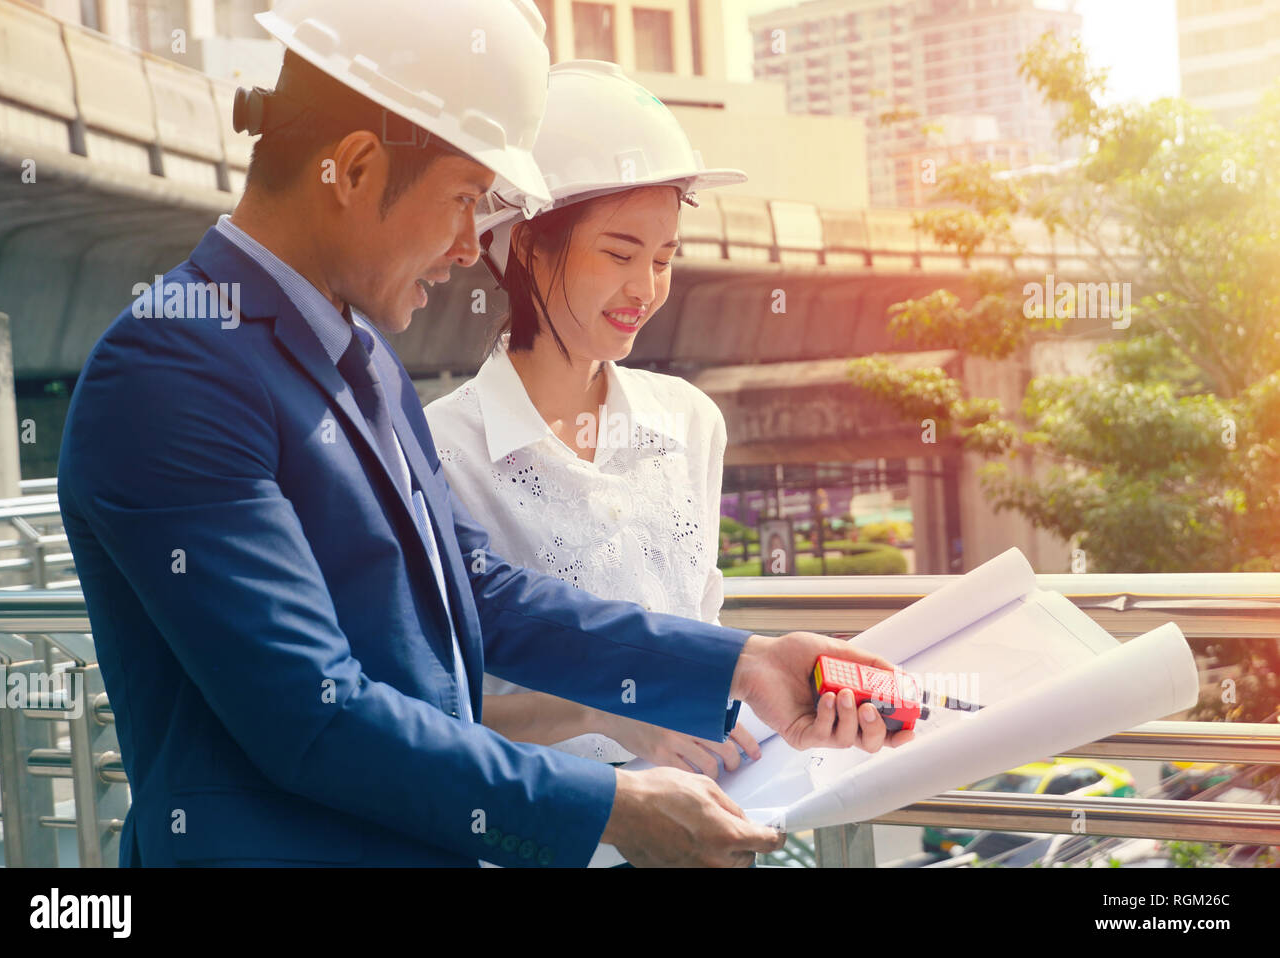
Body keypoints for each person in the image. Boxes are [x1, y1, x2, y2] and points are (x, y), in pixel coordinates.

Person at [57, 0, 912, 869]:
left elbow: (478, 591)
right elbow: (311, 717)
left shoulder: (363, 359)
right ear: (353, 168)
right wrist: (611, 805)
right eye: (467, 199)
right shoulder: (171, 372)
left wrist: (744, 663)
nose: (474, 246)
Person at [425, 61, 762, 776]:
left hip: (708, 825)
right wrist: (611, 718)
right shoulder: (439, 452)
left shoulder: (691, 424)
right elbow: (431, 706)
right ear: (527, 244)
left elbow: (701, 634)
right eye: (619, 253)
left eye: (665, 258)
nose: (644, 289)